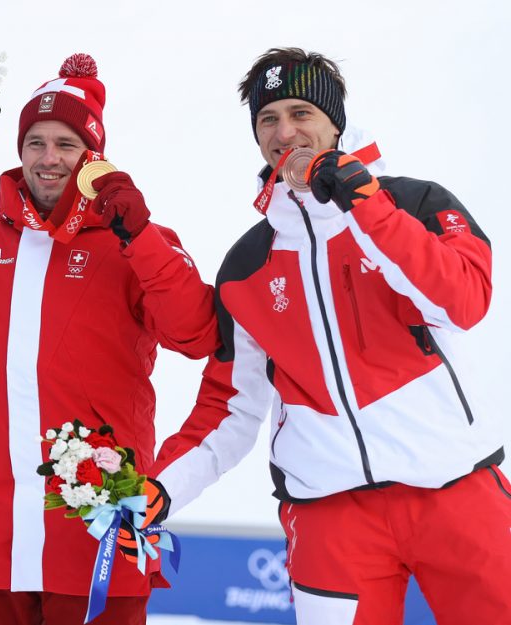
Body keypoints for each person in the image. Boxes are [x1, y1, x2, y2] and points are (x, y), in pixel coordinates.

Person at [148, 47, 511, 625]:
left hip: (456, 490)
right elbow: (229, 408)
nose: (285, 131)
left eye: (300, 113)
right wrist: (162, 488)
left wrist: (364, 203)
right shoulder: (247, 264)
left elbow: (461, 303)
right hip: (329, 514)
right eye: (269, 119)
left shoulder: (415, 203)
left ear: (334, 123)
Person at [0, 53, 219, 625]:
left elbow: (196, 334)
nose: (48, 158)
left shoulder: (133, 244)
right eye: (36, 142)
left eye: (66, 144)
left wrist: (141, 235)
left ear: (93, 157)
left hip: (97, 533)